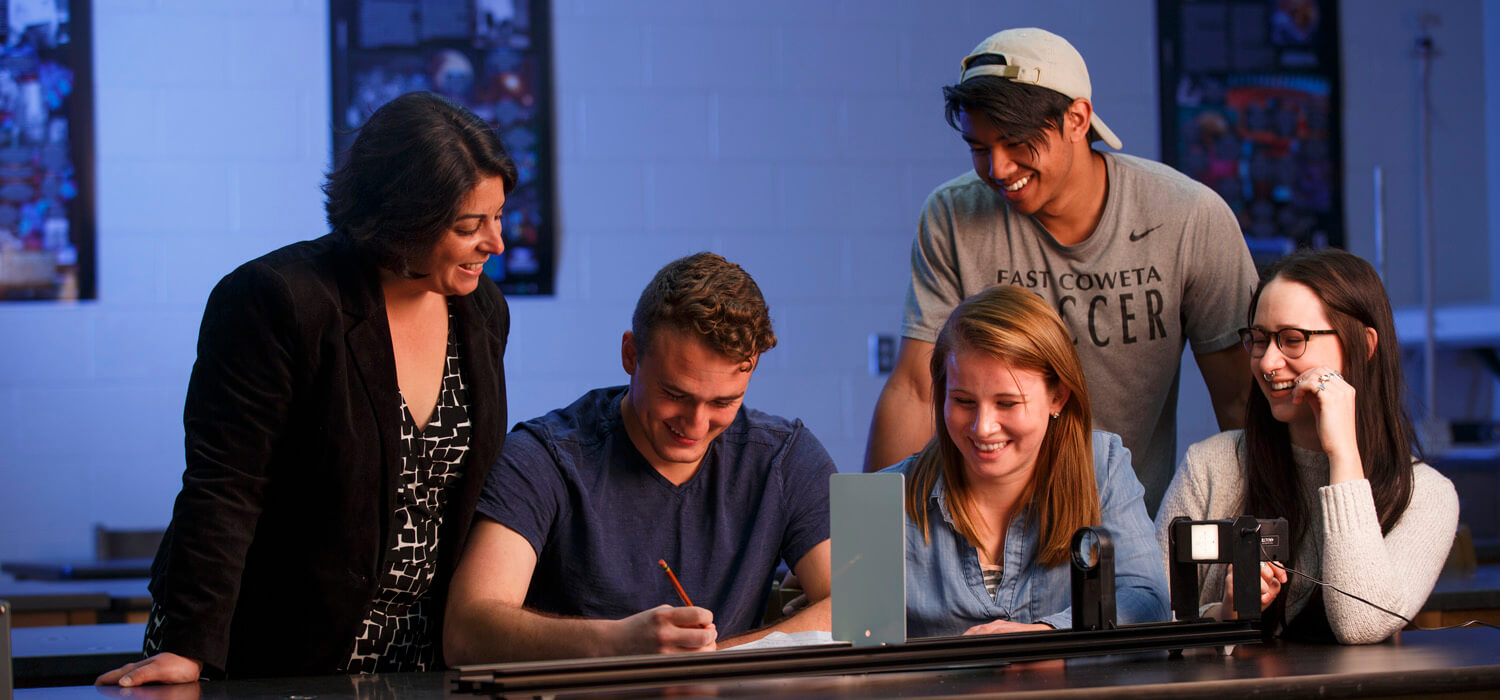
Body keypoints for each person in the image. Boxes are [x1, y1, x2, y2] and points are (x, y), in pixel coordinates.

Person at [97, 92, 517, 685]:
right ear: (404, 217)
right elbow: (224, 488)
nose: (495, 243)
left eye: (498, 217)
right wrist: (188, 647)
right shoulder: (276, 299)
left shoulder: (482, 311)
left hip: (421, 656)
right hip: (281, 649)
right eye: (469, 225)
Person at [865, 27, 1257, 516]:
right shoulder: (954, 214)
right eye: (979, 148)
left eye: (1016, 143)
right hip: (989, 529)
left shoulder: (1188, 216)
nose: (999, 168)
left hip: (1127, 523)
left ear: (1077, 118)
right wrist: (868, 550)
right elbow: (916, 389)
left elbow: (1242, 400)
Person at [444, 252, 837, 663]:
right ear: (630, 354)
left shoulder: (784, 458)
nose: (697, 425)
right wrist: (618, 645)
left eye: (724, 402)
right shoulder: (544, 457)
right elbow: (466, 630)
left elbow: (866, 611)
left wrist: (713, 660)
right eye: (675, 395)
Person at [1155, 248, 1459, 644]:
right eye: (1260, 340)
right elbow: (1149, 621)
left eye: (1293, 340)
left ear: (1364, 347)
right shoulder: (1213, 465)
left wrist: (1343, 453)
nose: (1267, 363)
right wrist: (1223, 615)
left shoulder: (1426, 495)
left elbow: (1361, 624)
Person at [886, 285, 1168, 638]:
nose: (983, 427)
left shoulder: (1104, 466)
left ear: (1058, 397)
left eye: (1007, 403)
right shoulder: (888, 496)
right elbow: (857, 642)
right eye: (963, 401)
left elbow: (1148, 602)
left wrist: (1046, 633)